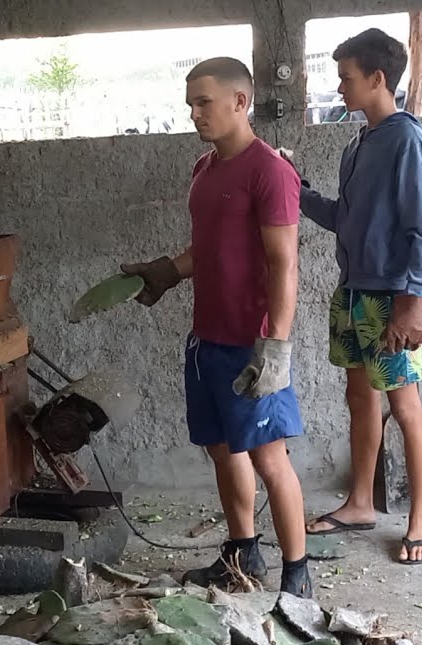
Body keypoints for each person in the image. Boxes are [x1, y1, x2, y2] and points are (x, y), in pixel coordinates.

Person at [119, 57, 313, 598]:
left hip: (252, 343)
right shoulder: (204, 169)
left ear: (240, 102)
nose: (194, 113)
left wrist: (275, 346)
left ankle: (298, 578)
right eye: (190, 104)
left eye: (203, 102)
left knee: (269, 457)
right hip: (206, 340)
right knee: (222, 450)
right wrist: (167, 270)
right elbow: (205, 250)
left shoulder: (270, 171)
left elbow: (284, 263)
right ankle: (242, 555)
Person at [290, 28, 422, 565]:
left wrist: (414, 299)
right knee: (361, 398)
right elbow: (344, 219)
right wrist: (299, 190)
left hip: (389, 299)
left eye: (346, 77)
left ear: (377, 79)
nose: (339, 88)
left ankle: (420, 518)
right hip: (352, 293)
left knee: (405, 406)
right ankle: (360, 503)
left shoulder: (406, 138)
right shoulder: (358, 143)